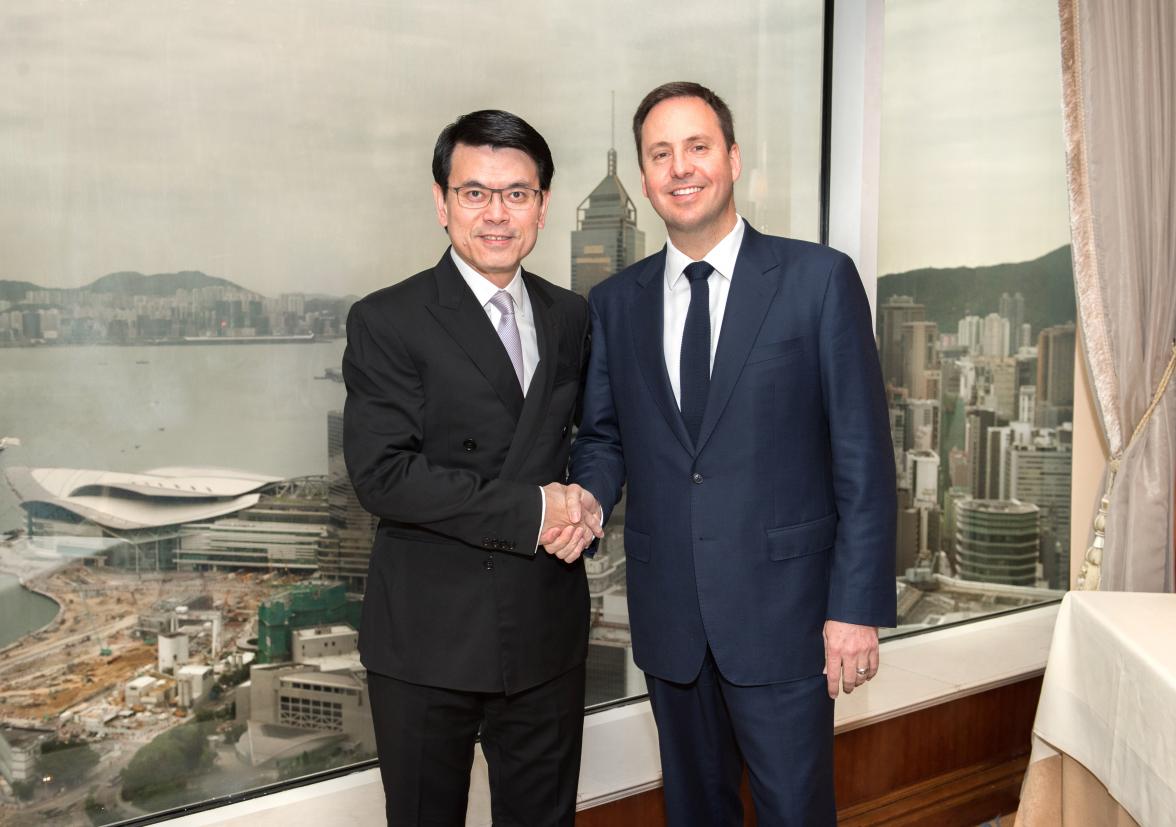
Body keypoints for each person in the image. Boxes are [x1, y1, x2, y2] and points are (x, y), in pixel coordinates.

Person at [559, 82, 897, 825]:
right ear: (645, 178)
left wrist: (856, 608)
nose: (681, 167)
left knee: (795, 813)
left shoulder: (818, 281)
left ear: (733, 158)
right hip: (671, 618)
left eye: (698, 146)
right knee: (695, 811)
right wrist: (586, 494)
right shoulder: (616, 303)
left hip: (788, 617)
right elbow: (607, 436)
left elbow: (864, 459)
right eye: (661, 153)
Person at [342, 109, 600, 826]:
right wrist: (535, 511)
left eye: (516, 194)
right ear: (441, 202)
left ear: (543, 207)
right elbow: (382, 476)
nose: (496, 214)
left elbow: (594, 441)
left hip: (545, 632)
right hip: (427, 641)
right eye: (474, 193)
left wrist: (590, 506)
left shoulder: (570, 315)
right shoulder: (388, 319)